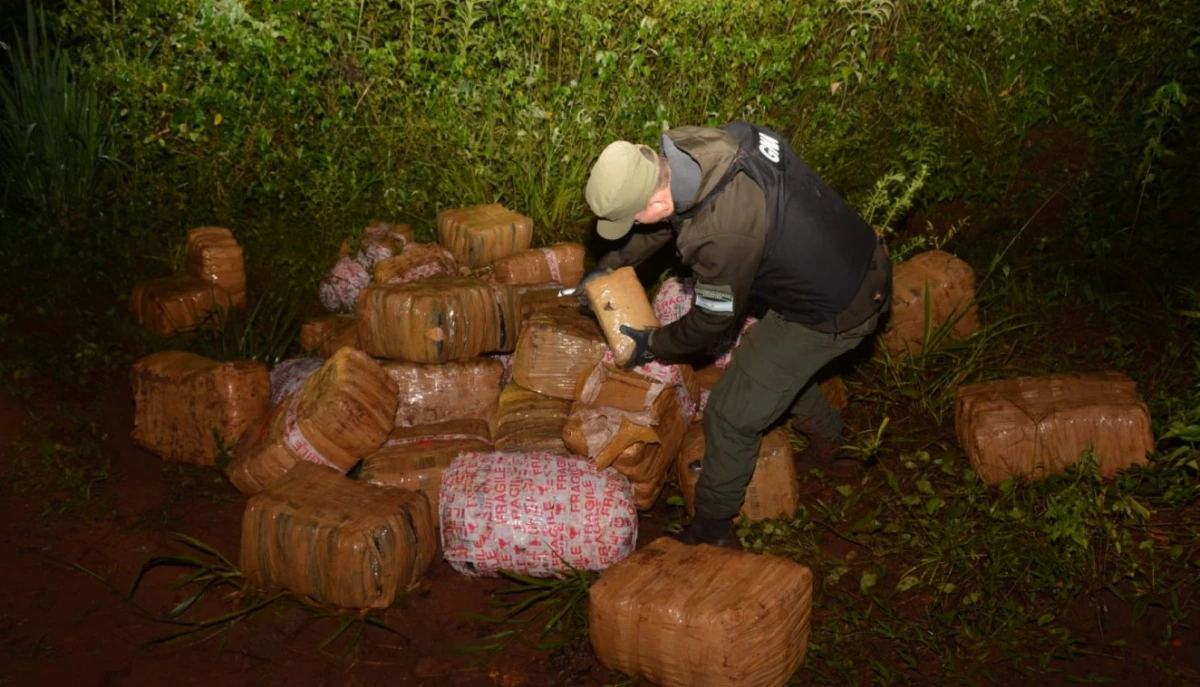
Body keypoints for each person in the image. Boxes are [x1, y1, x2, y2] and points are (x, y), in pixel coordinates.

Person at [578, 121, 892, 549]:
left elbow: (711, 320)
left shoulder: (722, 233)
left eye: (632, 215)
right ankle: (831, 438)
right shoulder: (701, 148)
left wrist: (655, 344)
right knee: (767, 364)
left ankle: (713, 528)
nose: (632, 222)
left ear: (655, 195)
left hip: (837, 307)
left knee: (729, 414)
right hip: (847, 257)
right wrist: (609, 267)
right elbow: (670, 221)